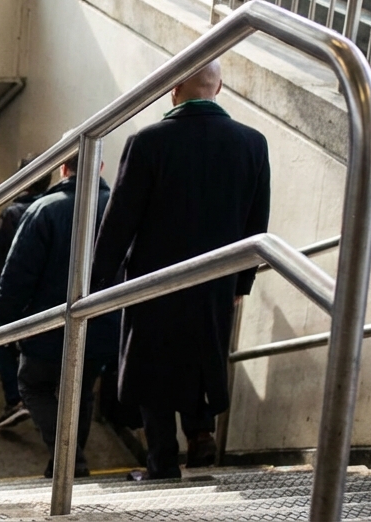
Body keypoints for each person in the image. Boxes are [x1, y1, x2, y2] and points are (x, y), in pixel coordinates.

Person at [89, 60, 269, 481]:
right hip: (216, 281)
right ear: (219, 87)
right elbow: (256, 223)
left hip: (156, 282)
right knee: (202, 355)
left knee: (153, 368)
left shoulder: (148, 142)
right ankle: (201, 434)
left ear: (173, 90)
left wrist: (97, 284)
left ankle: (162, 464)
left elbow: (119, 223)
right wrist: (241, 281)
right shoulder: (252, 143)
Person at [0, 156, 113, 478]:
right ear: (100, 166)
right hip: (100, 325)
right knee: (81, 390)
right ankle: (67, 461)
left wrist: (2, 324)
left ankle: (68, 457)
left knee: (32, 385)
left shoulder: (44, 210)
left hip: (48, 326)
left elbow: (17, 275)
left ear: (62, 167)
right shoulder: (117, 206)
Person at [0, 159, 52, 429]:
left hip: (15, 290)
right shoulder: (52, 208)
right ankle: (36, 399)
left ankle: (15, 399)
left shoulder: (13, 213)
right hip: (44, 295)